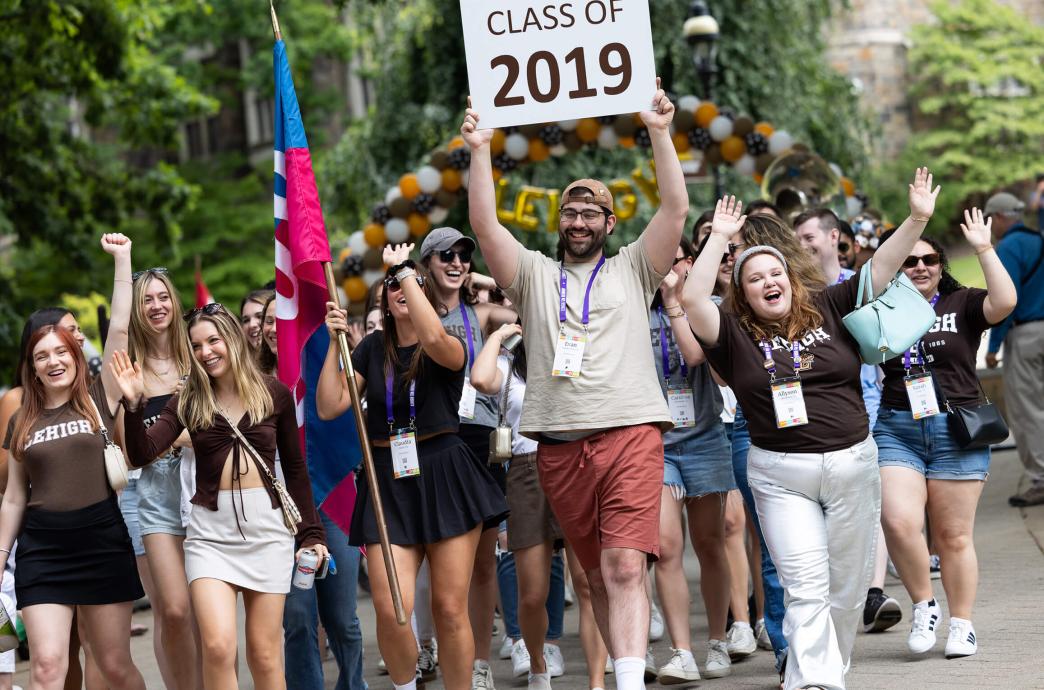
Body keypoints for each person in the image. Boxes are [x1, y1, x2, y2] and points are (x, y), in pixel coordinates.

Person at [462, 79, 687, 690]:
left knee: (621, 566)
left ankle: (630, 681)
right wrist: (480, 149)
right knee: (592, 577)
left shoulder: (634, 267)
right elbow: (485, 228)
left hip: (631, 434)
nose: (579, 220)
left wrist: (660, 134)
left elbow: (674, 211)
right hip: (558, 446)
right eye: (571, 211)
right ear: (558, 220)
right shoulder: (534, 275)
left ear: (611, 222)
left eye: (592, 212)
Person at [681, 167, 941, 689]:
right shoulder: (730, 333)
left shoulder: (829, 304)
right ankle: (815, 682)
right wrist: (721, 243)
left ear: (790, 277)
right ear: (742, 293)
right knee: (803, 585)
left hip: (852, 465)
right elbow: (691, 301)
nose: (766, 283)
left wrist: (916, 219)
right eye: (753, 279)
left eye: (773, 273)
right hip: (780, 474)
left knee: (844, 589)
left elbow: (884, 267)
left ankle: (821, 668)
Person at [316, 243, 507, 690]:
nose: (404, 286)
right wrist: (334, 344)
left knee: (448, 608)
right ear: (385, 298)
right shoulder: (369, 349)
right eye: (395, 283)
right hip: (387, 475)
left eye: (415, 281)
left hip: (444, 471)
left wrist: (403, 268)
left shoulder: (448, 343)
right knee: (391, 604)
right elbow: (329, 405)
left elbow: (437, 340)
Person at [116, 304, 328, 689]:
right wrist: (133, 406)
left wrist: (312, 534)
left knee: (264, 655)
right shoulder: (188, 400)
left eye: (213, 340)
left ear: (231, 338)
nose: (205, 352)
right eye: (196, 345)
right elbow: (142, 453)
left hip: (267, 532)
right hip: (210, 536)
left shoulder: (274, 393)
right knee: (217, 647)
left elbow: (295, 469)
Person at [0, 235, 147, 690]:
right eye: (42, 356)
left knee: (114, 666)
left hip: (101, 540)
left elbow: (119, 326)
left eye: (61, 351)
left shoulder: (98, 396)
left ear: (75, 353)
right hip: (43, 551)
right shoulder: (23, 416)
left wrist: (122, 259)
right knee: (46, 667)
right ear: (32, 365)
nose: (53, 361)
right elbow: (12, 497)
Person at [875, 209, 1016, 659]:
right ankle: (924, 605)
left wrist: (984, 247)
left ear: (941, 265)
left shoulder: (963, 303)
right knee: (898, 522)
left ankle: (962, 624)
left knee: (955, 538)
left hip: (958, 428)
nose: (920, 267)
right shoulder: (880, 308)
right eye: (910, 261)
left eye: (930, 259)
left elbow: (1006, 301)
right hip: (898, 426)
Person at [418, 227, 516, 688]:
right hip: (433, 440)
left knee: (481, 562)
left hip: (481, 439)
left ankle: (477, 663)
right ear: (426, 265)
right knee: (438, 566)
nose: (456, 263)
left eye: (462, 256)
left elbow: (526, 309)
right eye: (446, 257)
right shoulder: (412, 312)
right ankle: (440, 651)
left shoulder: (481, 313)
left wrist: (484, 287)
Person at [794, 209, 901, 633]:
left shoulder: (861, 285)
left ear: (834, 236)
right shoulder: (790, 293)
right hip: (813, 413)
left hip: (869, 402)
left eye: (809, 236)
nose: (803, 245)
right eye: (796, 238)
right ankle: (836, 593)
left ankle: (872, 593)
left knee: (868, 499)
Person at [256, 295, 367, 690]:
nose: (274, 328)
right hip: (279, 515)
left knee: (342, 618)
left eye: (281, 320)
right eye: (268, 321)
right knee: (299, 618)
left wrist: (336, 341)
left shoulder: (326, 369)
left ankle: (354, 684)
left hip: (331, 501)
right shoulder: (248, 381)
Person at [648, 237, 735, 682]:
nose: (668, 266)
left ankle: (717, 640)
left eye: (677, 258)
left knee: (710, 544)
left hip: (705, 438)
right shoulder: (633, 311)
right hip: (656, 446)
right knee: (666, 549)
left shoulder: (706, 305)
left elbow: (697, 356)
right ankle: (681, 651)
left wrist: (675, 303)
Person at [471, 322, 565, 689]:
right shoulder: (511, 362)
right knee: (532, 592)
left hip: (573, 461)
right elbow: (480, 380)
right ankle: (537, 659)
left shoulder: (571, 346)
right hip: (526, 470)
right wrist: (498, 336)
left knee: (591, 584)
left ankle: (597, 679)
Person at [126, 267, 204, 690]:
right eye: (147, 300)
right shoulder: (129, 365)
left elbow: (217, 423)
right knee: (173, 609)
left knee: (204, 611)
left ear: (174, 302)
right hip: (154, 493)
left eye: (163, 297)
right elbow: (127, 442)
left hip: (204, 490)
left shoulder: (197, 353)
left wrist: (167, 439)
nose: (157, 306)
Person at [982, 192, 1044, 507]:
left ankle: (1041, 481)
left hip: (1027, 335)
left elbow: (1006, 299)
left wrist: (993, 347)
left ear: (999, 217)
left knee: (1028, 410)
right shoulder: (1039, 238)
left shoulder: (1008, 248)